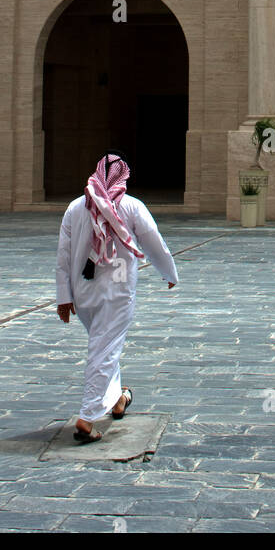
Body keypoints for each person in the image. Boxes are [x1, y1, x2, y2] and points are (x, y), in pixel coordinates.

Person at [56, 151, 178, 444]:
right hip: (117, 293)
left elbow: (63, 256)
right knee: (105, 349)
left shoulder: (76, 207)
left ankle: (119, 399)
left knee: (104, 343)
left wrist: (64, 297)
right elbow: (153, 241)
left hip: (83, 292)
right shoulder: (131, 207)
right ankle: (87, 416)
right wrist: (169, 272)